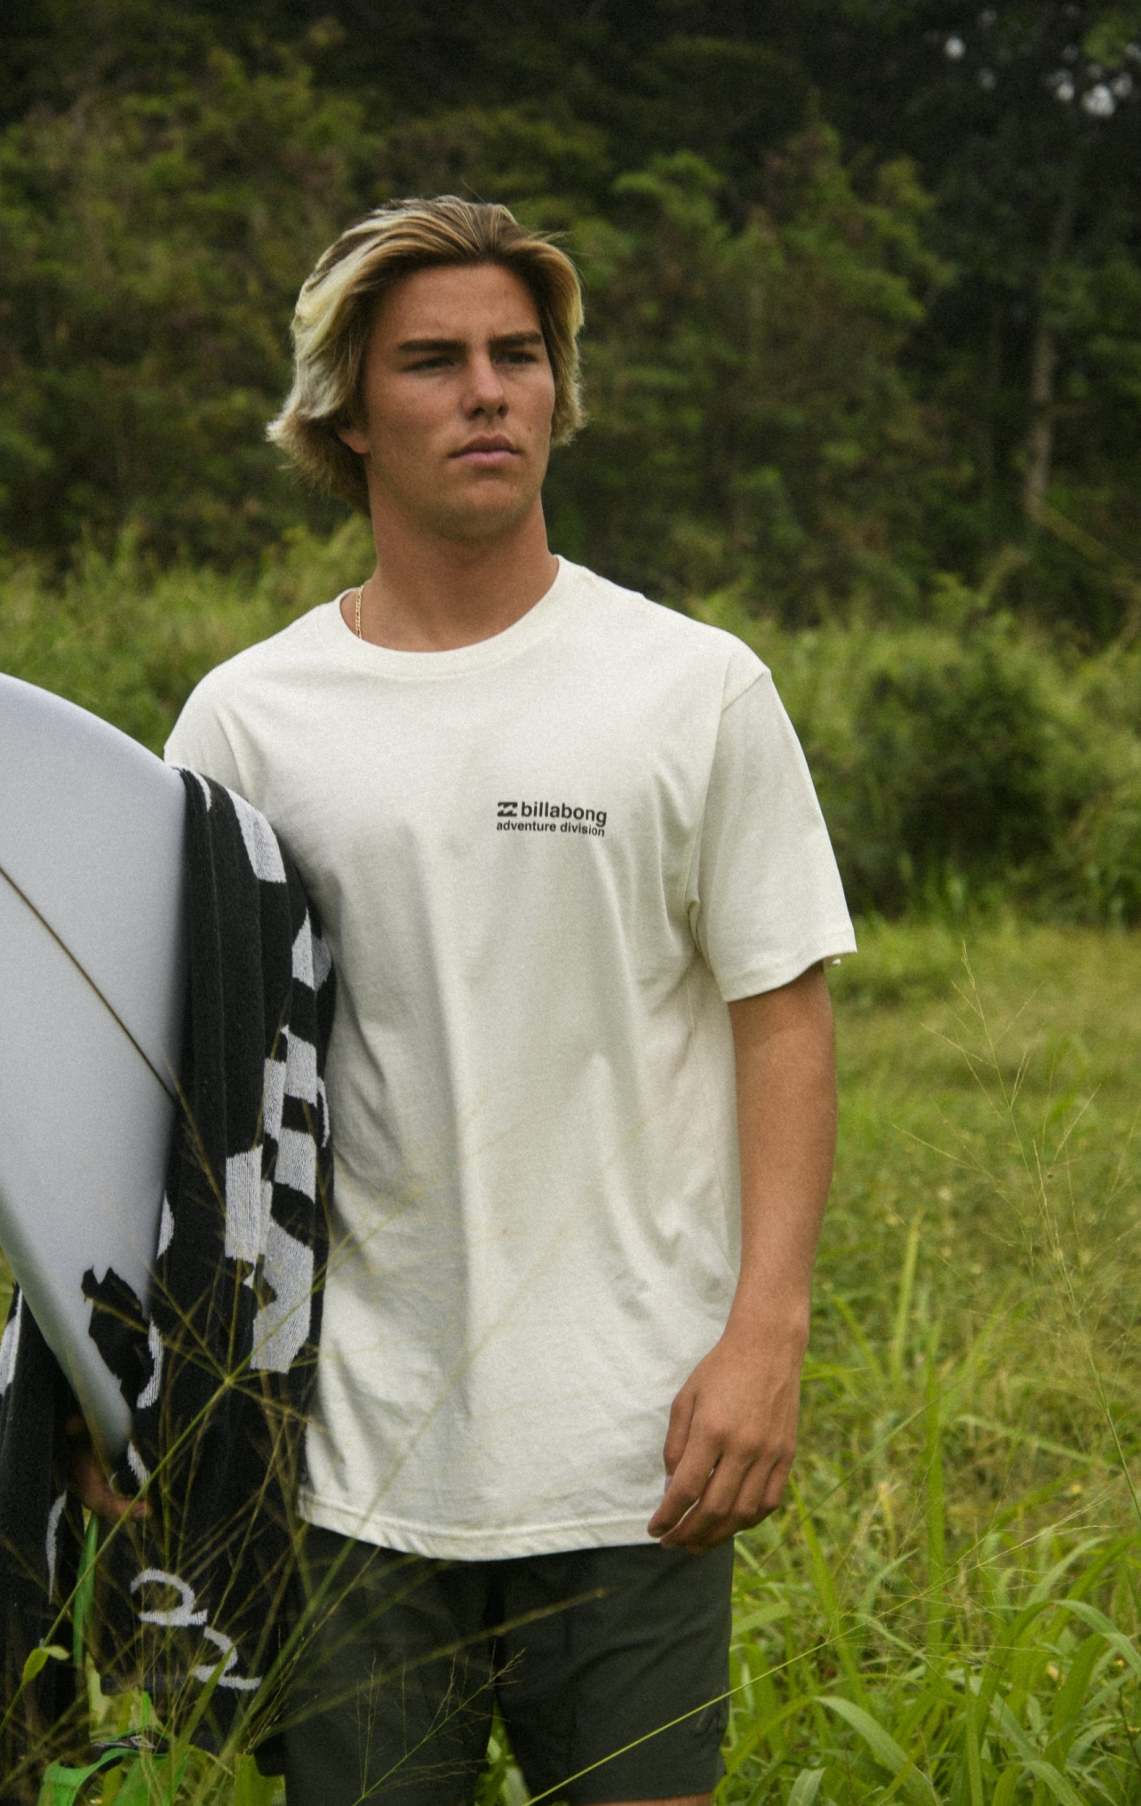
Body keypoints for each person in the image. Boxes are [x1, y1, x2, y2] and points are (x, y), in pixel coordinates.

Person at [90, 196, 856, 1805]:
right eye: (431, 361)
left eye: (519, 354)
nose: (488, 390)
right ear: (346, 416)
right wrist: (125, 1383)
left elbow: (779, 1009)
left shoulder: (689, 687)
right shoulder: (250, 720)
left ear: (559, 394)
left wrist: (764, 1338)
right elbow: (167, 1075)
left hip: (636, 1447)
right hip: (344, 1459)